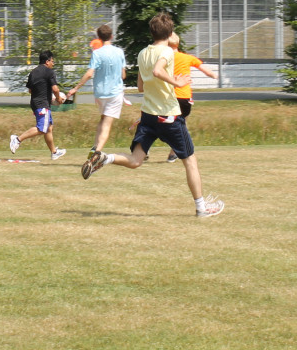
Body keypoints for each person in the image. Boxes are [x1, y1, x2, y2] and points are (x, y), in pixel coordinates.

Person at [81, 13, 224, 218]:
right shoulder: (167, 51)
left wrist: (165, 80)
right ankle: (201, 207)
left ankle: (105, 158)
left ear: (151, 32)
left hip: (148, 115)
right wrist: (177, 83)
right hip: (168, 115)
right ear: (169, 33)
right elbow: (157, 71)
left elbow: (141, 85)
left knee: (136, 160)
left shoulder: (142, 53)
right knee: (190, 160)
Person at [67, 25, 128, 158]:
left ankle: (95, 146)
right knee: (107, 122)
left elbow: (89, 73)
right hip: (115, 92)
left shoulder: (97, 53)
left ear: (99, 38)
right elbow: (123, 75)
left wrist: (76, 88)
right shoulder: (119, 52)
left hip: (100, 93)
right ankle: (97, 152)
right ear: (111, 36)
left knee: (103, 118)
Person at [166, 32, 217, 163]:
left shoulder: (164, 59)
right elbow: (206, 71)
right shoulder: (188, 58)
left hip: (168, 96)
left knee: (162, 123)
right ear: (178, 43)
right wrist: (214, 76)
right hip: (184, 97)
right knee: (181, 125)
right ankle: (173, 154)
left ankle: (145, 146)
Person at [8, 50, 67, 161]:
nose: (53, 64)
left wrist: (48, 97)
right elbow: (55, 89)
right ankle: (17, 139)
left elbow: (31, 90)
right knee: (42, 129)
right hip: (42, 104)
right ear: (47, 61)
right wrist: (58, 98)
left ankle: (54, 152)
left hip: (36, 103)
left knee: (49, 128)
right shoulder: (50, 72)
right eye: (52, 61)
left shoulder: (33, 72)